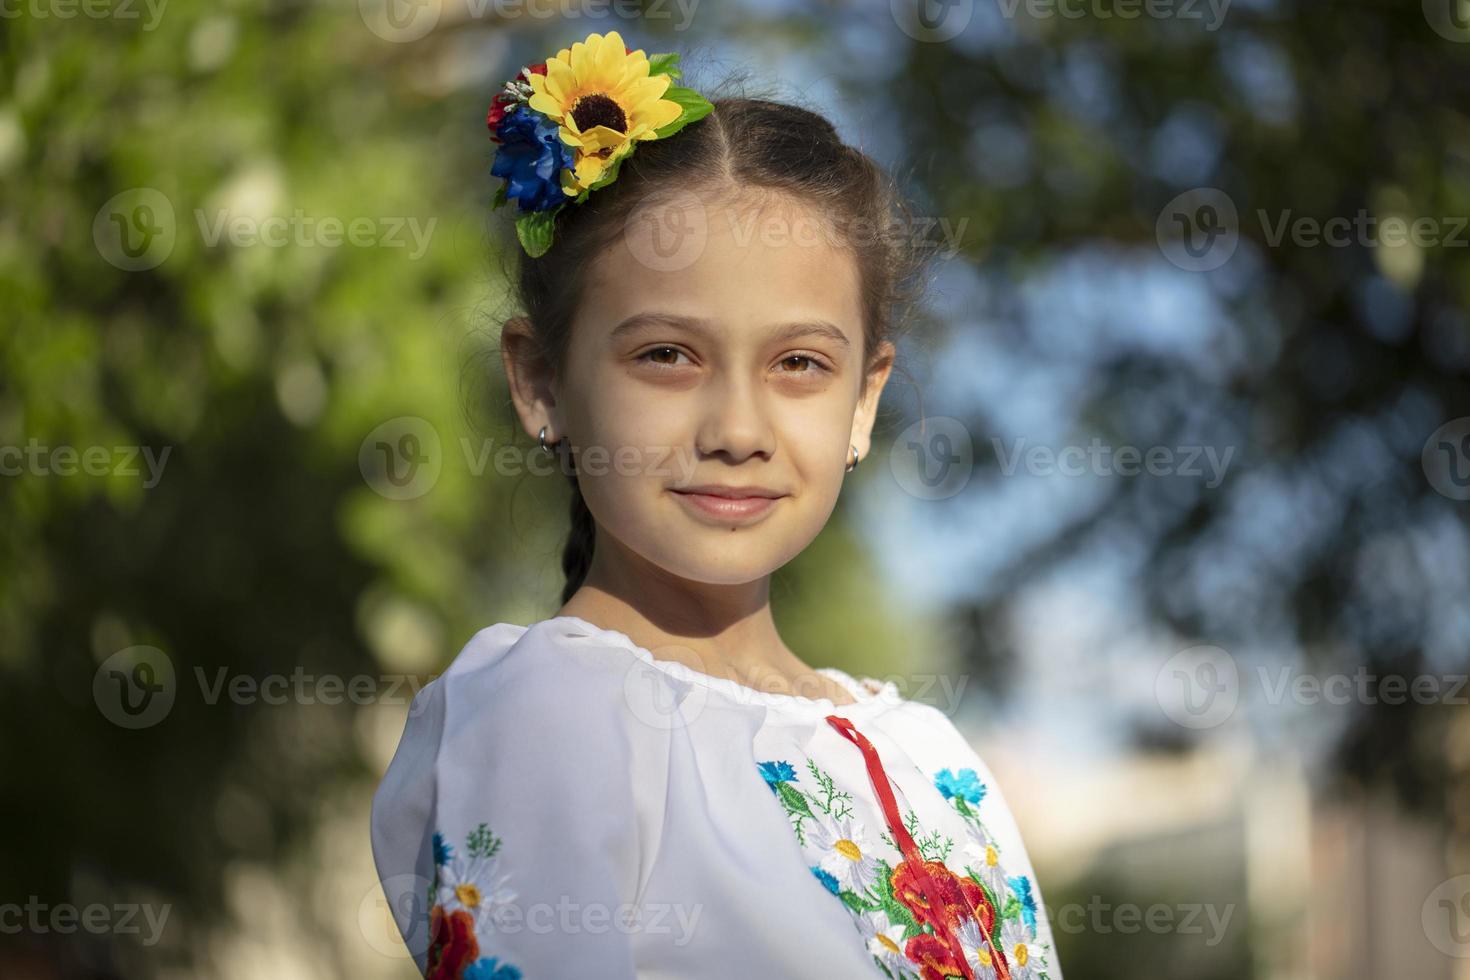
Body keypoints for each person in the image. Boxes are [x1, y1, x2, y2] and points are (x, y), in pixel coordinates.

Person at [371, 30, 1063, 980]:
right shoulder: (551, 716)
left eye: (799, 365)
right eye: (667, 355)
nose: (738, 428)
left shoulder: (935, 758)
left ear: (864, 401)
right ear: (541, 382)